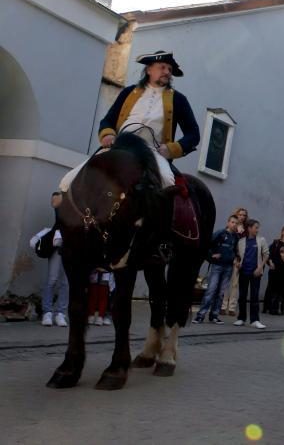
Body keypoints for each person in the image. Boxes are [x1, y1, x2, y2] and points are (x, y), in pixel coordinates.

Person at [58, 51, 199, 192]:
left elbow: (193, 134)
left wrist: (169, 149)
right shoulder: (129, 92)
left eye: (169, 69)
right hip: (120, 145)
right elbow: (108, 120)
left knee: (167, 181)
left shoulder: (179, 100)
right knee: (68, 181)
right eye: (162, 67)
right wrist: (108, 135)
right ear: (149, 69)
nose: (167, 72)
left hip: (152, 151)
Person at [30, 192, 68, 327]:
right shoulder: (61, 209)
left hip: (70, 248)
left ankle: (60, 313)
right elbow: (59, 224)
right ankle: (48, 312)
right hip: (58, 247)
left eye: (55, 199)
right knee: (53, 279)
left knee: (65, 281)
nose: (53, 201)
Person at [193, 215, 239, 324]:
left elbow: (235, 251)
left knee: (221, 293)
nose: (234, 224)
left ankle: (214, 316)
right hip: (217, 266)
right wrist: (211, 256)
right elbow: (207, 245)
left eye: (236, 223)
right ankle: (200, 315)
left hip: (228, 268)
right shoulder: (220, 233)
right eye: (232, 222)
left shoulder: (236, 237)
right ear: (228, 223)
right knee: (211, 291)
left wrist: (235, 259)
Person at [234, 219, 269, 329]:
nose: (257, 230)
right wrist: (237, 263)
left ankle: (255, 320)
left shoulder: (261, 240)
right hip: (244, 272)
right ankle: (241, 318)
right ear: (249, 228)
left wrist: (260, 267)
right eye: (256, 227)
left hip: (256, 273)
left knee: (254, 296)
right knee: (242, 296)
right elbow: (237, 256)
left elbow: (266, 254)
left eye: (258, 228)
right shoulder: (241, 242)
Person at [221, 207, 248, 316]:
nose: (242, 217)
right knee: (226, 282)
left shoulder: (246, 229)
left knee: (235, 284)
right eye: (240, 214)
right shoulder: (231, 226)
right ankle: (223, 306)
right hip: (229, 257)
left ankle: (232, 307)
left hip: (239, 258)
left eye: (244, 215)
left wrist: (240, 259)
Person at [266, 246, 284, 315]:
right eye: (282, 252)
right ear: (280, 253)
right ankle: (273, 309)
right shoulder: (277, 261)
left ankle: (282, 309)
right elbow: (274, 272)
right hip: (277, 282)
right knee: (276, 296)